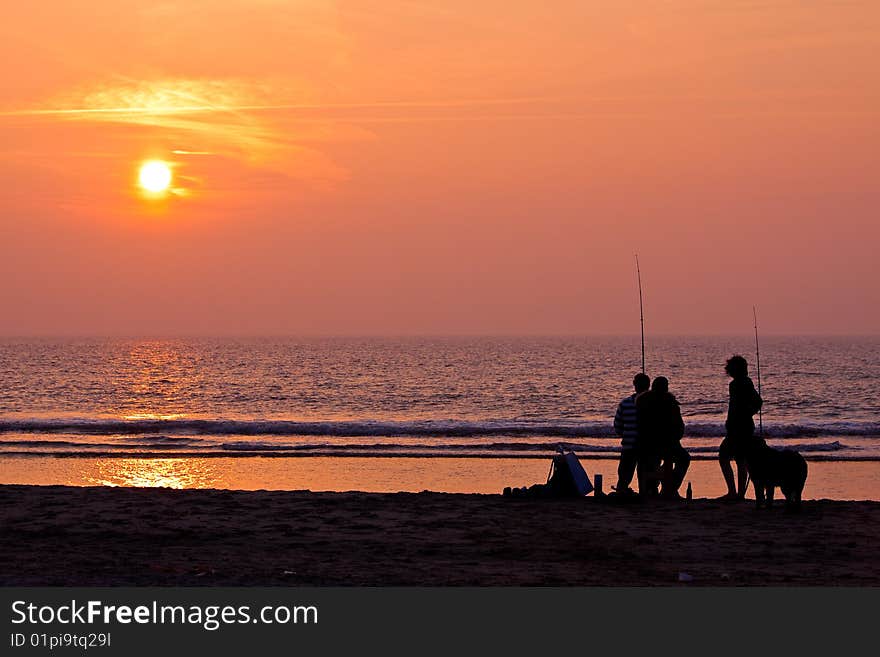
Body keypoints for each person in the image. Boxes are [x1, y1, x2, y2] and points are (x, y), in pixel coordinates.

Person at [718, 355, 763, 500]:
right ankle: (739, 494)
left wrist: (745, 413)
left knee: (724, 456)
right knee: (741, 460)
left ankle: (734, 492)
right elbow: (757, 402)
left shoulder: (737, 384)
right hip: (744, 426)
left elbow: (751, 403)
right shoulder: (745, 382)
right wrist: (749, 412)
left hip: (738, 428)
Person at [637, 376, 689, 498]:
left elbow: (639, 426)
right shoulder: (671, 404)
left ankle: (655, 487)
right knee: (684, 459)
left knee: (651, 461)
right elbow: (679, 428)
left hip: (646, 445)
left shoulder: (642, 402)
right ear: (666, 388)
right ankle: (670, 488)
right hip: (667, 446)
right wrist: (674, 439)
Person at [613, 373, 651, 494]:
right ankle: (645, 494)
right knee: (646, 477)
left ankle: (621, 492)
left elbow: (618, 426)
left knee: (624, 476)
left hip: (629, 446)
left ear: (634, 385)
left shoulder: (625, 404)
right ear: (649, 386)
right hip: (648, 446)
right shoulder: (653, 404)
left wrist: (627, 435)